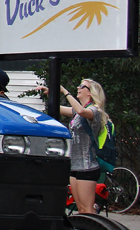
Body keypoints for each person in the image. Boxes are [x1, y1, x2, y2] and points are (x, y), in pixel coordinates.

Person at [36, 79, 107, 214]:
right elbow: (57, 109)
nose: (78, 88)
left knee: (87, 208)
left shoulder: (94, 111)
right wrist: (51, 96)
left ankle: (93, 227)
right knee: (80, 208)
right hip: (75, 165)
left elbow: (81, 111)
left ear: (90, 92)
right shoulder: (78, 112)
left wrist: (64, 91)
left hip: (87, 166)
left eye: (82, 86)